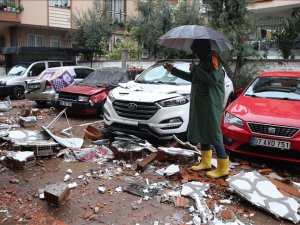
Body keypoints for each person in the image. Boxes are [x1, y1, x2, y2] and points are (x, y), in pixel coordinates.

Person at [164, 39, 229, 179]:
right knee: (203, 130)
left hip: (211, 103)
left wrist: (196, 69)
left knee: (214, 132)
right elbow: (193, 78)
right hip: (201, 103)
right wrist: (173, 70)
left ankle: (223, 168)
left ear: (203, 48)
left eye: (196, 50)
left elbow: (212, 79)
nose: (195, 53)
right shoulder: (204, 61)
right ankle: (206, 162)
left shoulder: (213, 59)